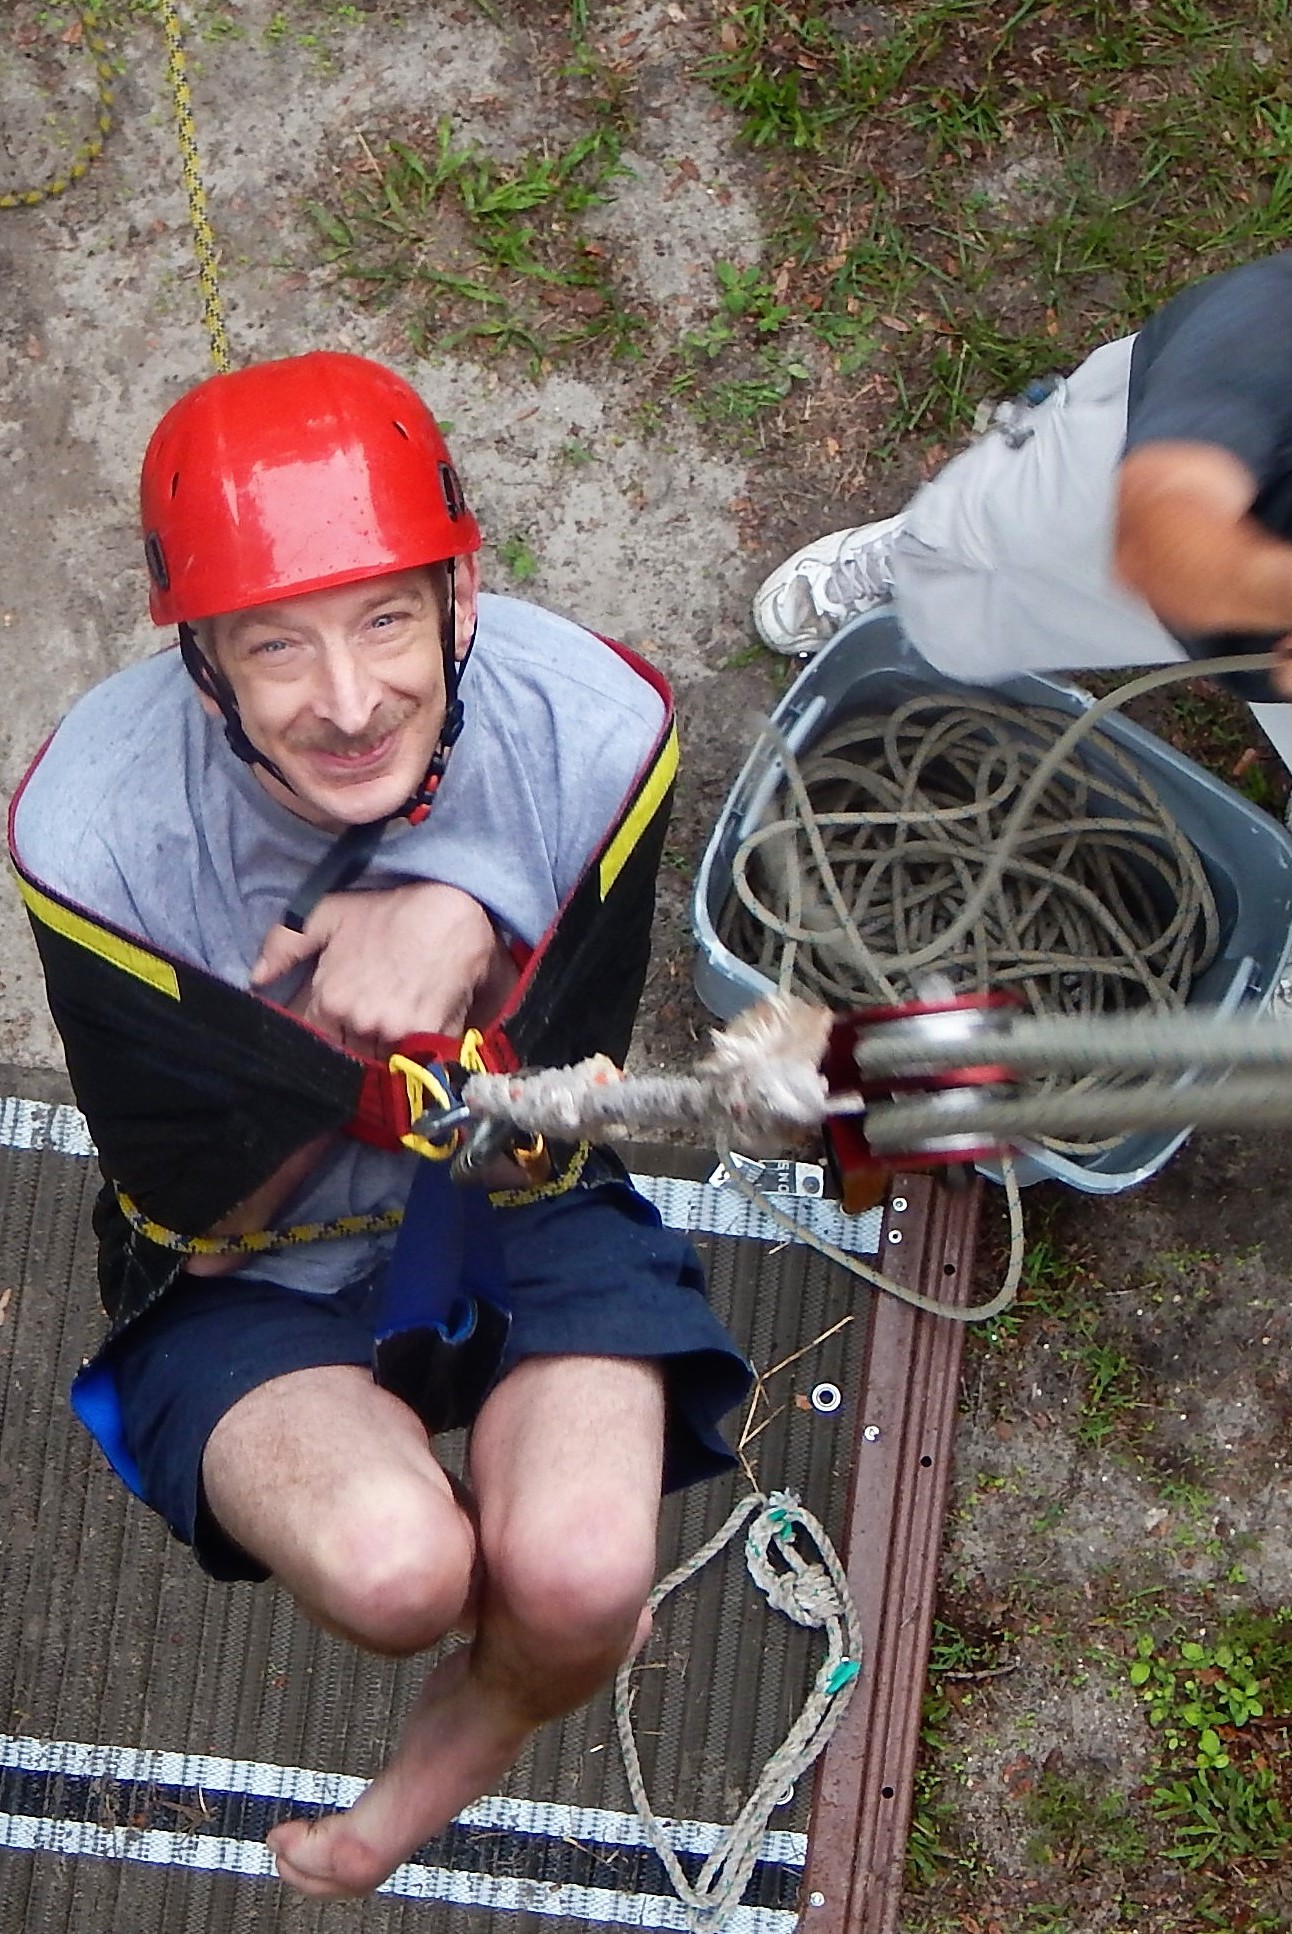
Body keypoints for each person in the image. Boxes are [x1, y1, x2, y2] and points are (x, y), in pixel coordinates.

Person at [8, 352, 751, 1897]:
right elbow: (195, 1211)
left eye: (386, 620)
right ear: (201, 657)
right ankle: (494, 1577)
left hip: (513, 1190)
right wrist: (356, 1044)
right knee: (405, 1570)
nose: (345, 705)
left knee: (582, 1571)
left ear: (460, 595)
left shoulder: (597, 730)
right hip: (261, 1263)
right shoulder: (95, 829)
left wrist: (458, 911)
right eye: (274, 646)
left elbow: (567, 1085)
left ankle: (432, 1768)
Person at [750, 242, 1292, 1017]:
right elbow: (1158, 537)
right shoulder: (1283, 312)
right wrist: (1291, 587)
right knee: (987, 536)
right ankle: (908, 556)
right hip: (1145, 501)